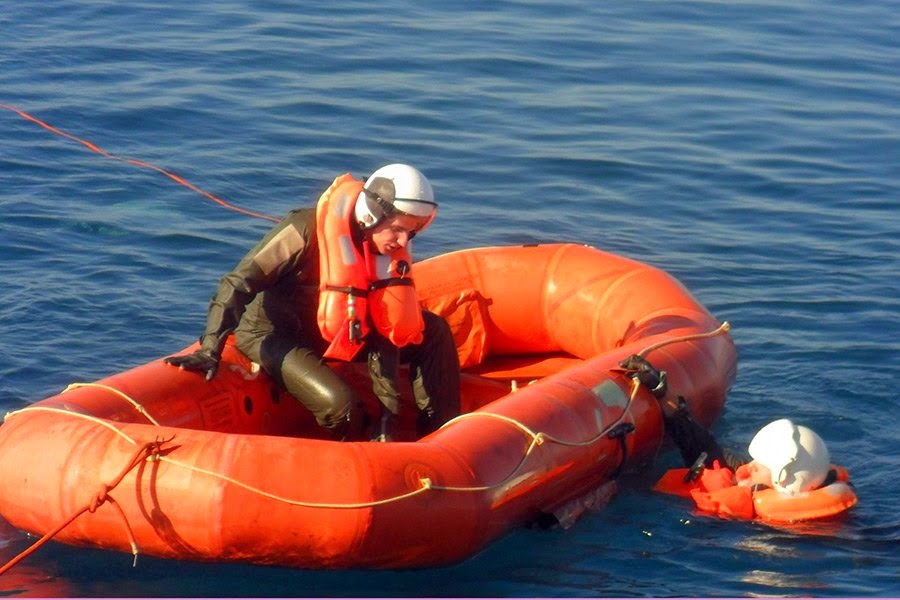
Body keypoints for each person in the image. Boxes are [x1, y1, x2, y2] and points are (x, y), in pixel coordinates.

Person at [165, 164, 461, 442]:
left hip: (337, 334)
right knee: (343, 408)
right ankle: (353, 460)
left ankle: (441, 435)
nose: (402, 240)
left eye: (411, 231)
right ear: (373, 214)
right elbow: (239, 282)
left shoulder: (384, 254)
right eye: (397, 228)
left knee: (433, 331)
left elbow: (386, 331)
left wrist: (389, 416)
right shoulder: (301, 231)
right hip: (274, 335)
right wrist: (210, 349)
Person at [621, 354, 856, 521]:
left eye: (759, 467)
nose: (748, 467)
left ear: (782, 482)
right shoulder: (756, 480)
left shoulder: (820, 536)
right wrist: (660, 390)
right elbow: (699, 445)